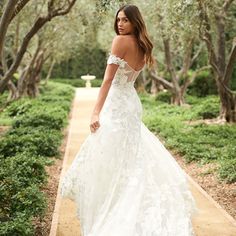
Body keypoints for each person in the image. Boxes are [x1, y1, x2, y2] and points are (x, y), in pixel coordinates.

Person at [60, 4, 199, 236]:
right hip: (131, 103)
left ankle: (114, 207)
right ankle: (124, 201)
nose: (120, 24)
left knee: (110, 156)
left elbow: (107, 81)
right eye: (118, 20)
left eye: (125, 20)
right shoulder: (143, 46)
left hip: (116, 105)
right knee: (128, 157)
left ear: (135, 21)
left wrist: (95, 112)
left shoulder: (120, 41)